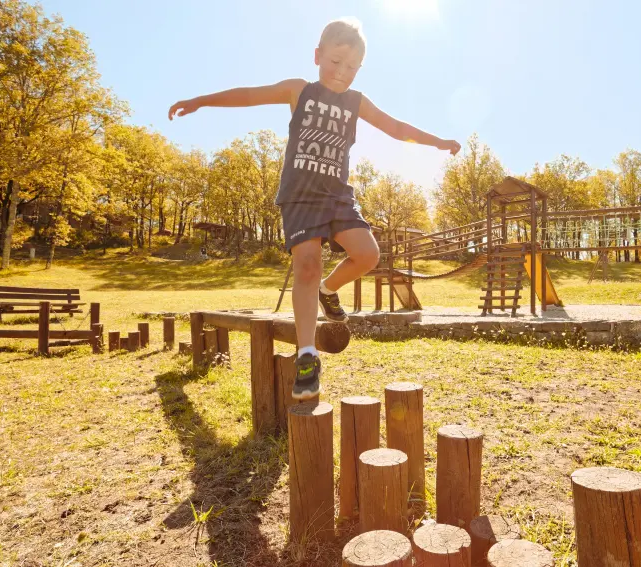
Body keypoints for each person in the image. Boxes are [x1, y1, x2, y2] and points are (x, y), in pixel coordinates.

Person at [169, 18, 460, 399]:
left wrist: (437, 142)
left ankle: (329, 290)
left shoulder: (356, 102)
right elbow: (249, 94)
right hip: (301, 196)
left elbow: (394, 126)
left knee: (368, 255)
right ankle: (307, 355)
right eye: (335, 62)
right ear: (318, 55)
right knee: (306, 264)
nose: (342, 73)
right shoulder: (299, 91)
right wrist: (201, 100)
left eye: (352, 68)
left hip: (337, 195)